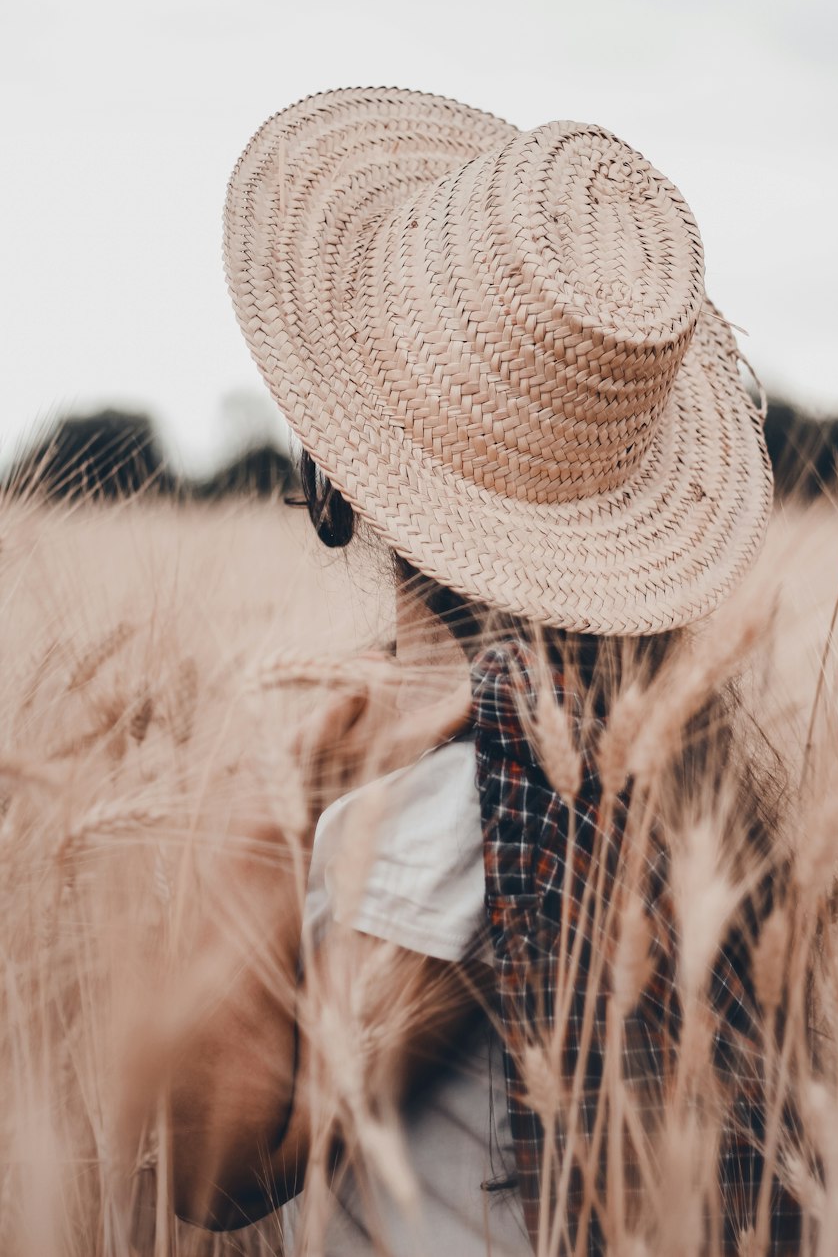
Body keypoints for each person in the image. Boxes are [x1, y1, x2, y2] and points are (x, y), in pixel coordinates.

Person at [168, 88, 798, 1253]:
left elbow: (215, 1170)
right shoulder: (664, 748)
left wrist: (250, 804)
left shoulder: (445, 801)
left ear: (338, 468)